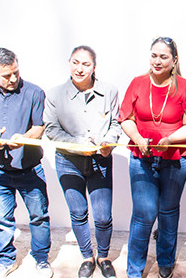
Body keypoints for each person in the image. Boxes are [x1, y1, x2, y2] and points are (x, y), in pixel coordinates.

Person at [118, 37, 186, 278]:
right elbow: (125, 118)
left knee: (168, 210)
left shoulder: (184, 87)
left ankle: (165, 260)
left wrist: (170, 139)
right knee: (143, 214)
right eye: (154, 55)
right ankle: (134, 270)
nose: (157, 61)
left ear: (174, 60)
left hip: (176, 159)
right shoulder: (137, 83)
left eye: (163, 57)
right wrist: (137, 137)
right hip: (142, 158)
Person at [0, 47, 52, 278]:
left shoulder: (35, 92)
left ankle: (41, 260)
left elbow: (39, 127)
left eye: (16, 72)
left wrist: (24, 139)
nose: (14, 78)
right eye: (7, 75)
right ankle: (6, 260)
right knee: (1, 220)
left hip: (30, 169)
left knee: (39, 217)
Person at [44, 46, 120, 278]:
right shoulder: (55, 95)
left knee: (103, 216)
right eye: (75, 62)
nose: (79, 68)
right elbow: (51, 129)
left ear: (94, 67)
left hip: (100, 161)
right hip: (68, 161)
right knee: (78, 213)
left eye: (86, 64)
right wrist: (78, 144)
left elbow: (115, 124)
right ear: (69, 63)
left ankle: (103, 257)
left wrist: (108, 143)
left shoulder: (109, 91)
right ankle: (87, 257)